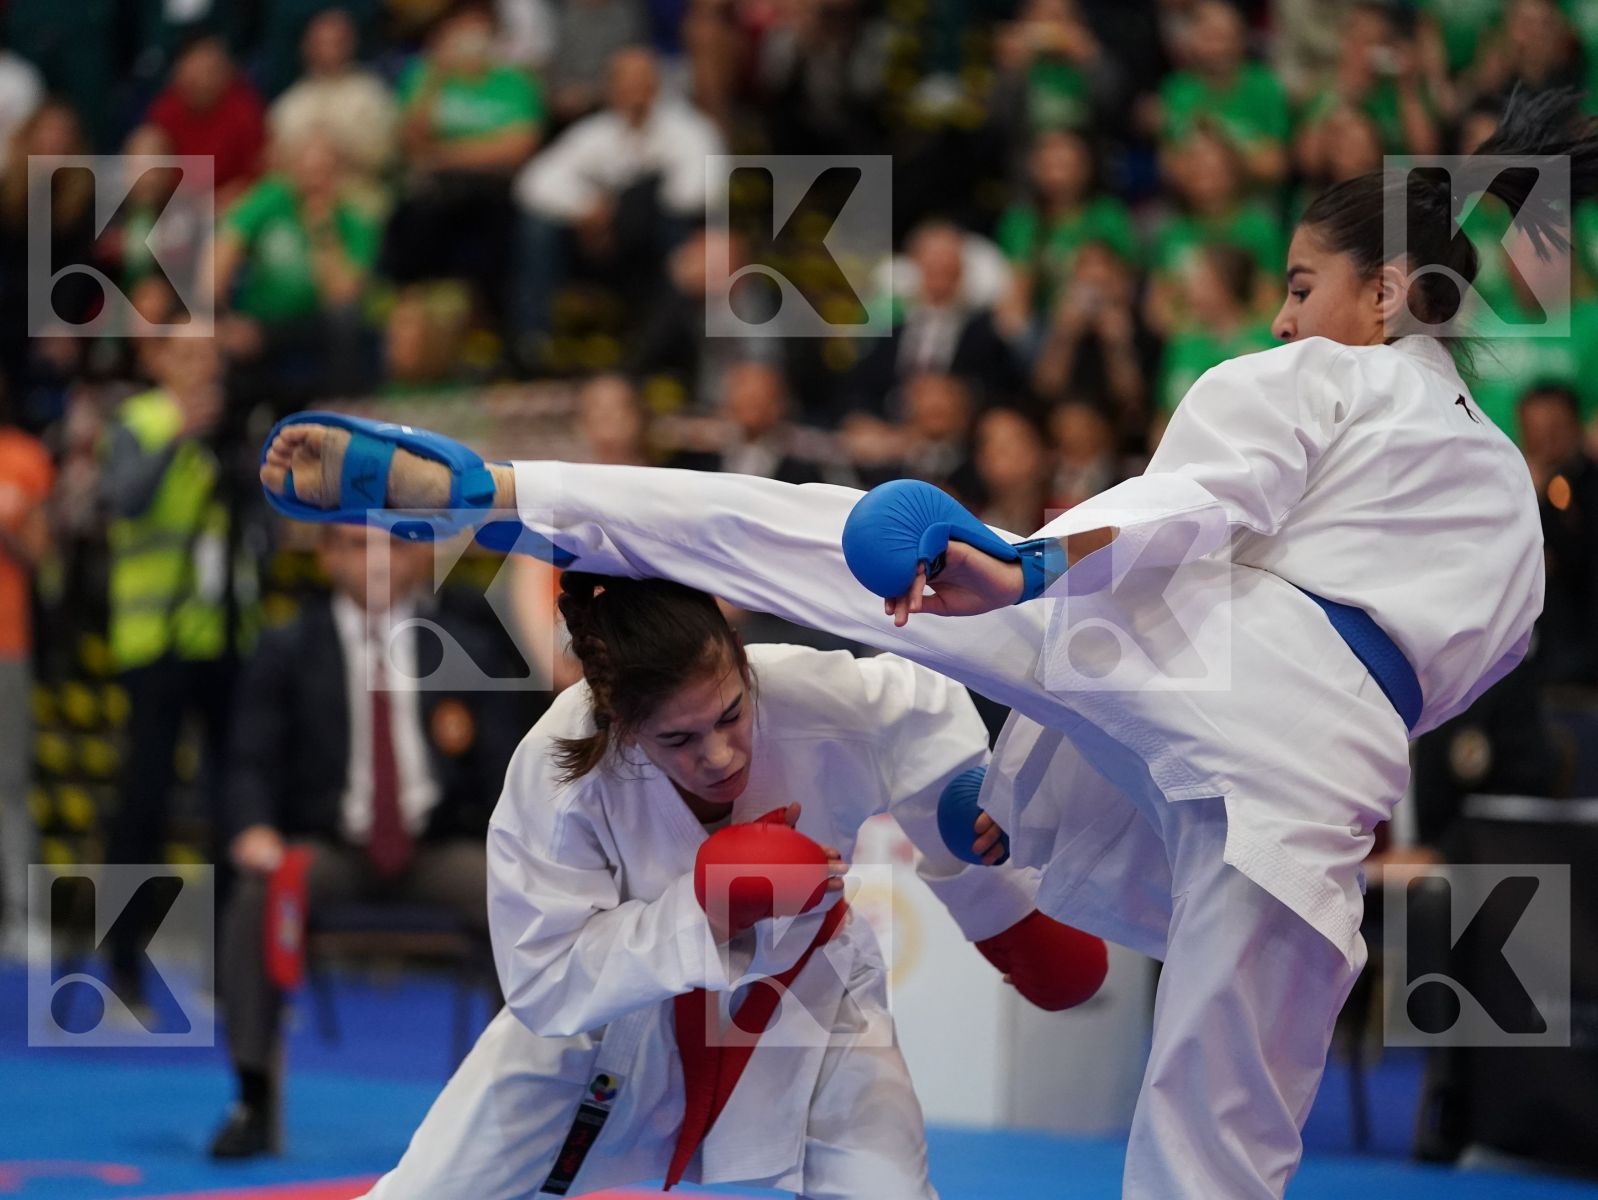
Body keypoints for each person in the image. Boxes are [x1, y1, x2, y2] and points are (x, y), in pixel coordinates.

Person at [259, 88, 1579, 1198]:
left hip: (1226, 668)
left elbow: (1194, 508)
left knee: (808, 541)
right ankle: (994, 814)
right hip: (1325, 795)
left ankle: (496, 493)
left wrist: (1026, 564)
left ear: (1390, 291)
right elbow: (1389, 691)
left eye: (1302, 285)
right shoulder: (1515, 510)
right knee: (1217, 1148)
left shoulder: (1316, 376)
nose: (1282, 317)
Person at [354, 573, 1105, 1198]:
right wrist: (706, 910)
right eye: (677, 740)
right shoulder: (556, 771)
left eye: (731, 715)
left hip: (808, 991)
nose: (717, 755)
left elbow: (929, 731)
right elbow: (544, 977)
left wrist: (1004, 910)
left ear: (742, 660)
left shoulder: (826, 698)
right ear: (618, 722)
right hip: (607, 1030)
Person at [209, 524, 538, 1158]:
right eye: (359, 546)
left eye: (396, 545)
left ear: (424, 555)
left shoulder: (468, 647)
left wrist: (522, 844)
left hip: (438, 846)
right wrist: (253, 829)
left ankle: (525, 1100)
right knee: (257, 895)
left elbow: (508, 768)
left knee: (520, 894)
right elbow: (248, 759)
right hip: (332, 845)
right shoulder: (287, 646)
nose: (379, 562)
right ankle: (251, 1093)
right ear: (328, 555)